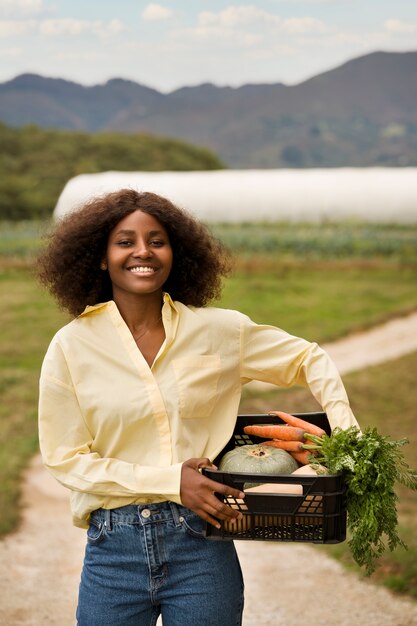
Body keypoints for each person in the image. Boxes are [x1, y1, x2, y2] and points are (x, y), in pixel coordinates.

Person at [37, 189, 359, 626]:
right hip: (113, 550)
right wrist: (173, 481)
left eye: (157, 240)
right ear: (100, 257)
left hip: (201, 541)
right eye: (125, 241)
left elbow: (309, 358)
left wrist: (348, 436)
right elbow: (65, 459)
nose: (143, 251)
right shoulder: (71, 346)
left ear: (176, 253)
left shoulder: (219, 331)